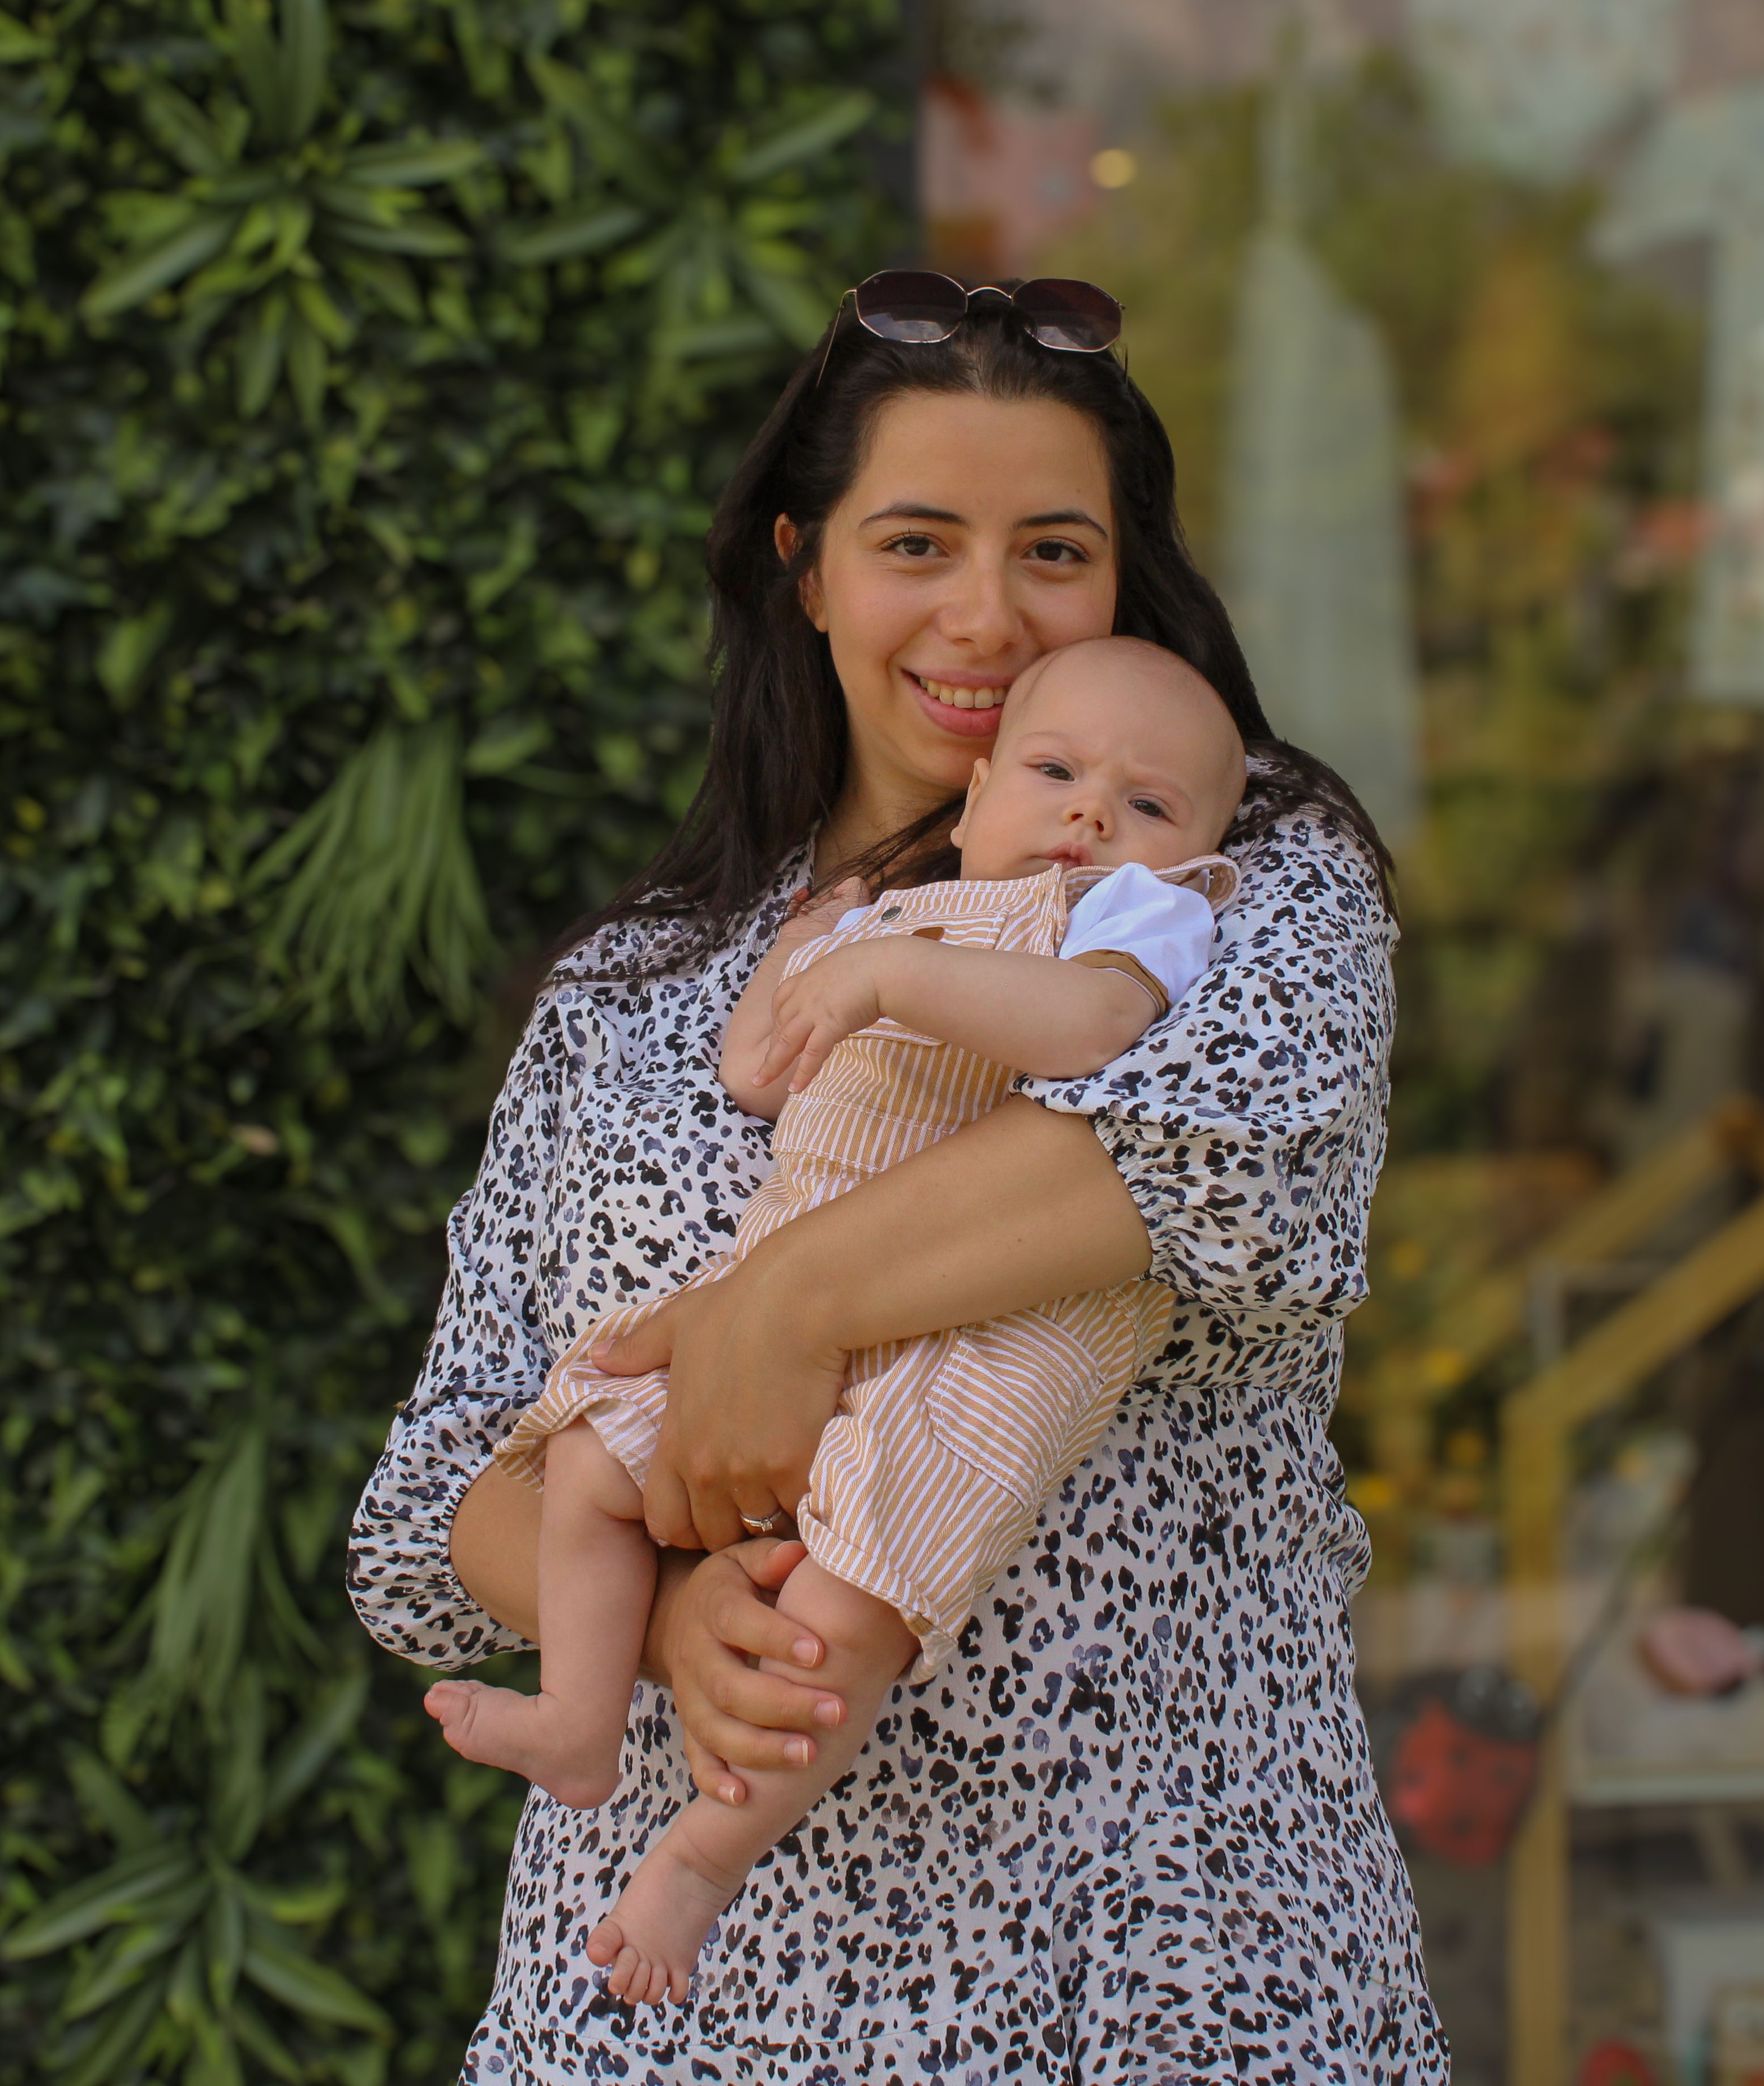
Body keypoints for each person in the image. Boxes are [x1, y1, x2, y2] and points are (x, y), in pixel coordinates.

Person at [349, 272, 1444, 2079]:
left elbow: (1215, 1158)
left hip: (1156, 1970)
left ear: (1126, 578)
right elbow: (433, 1505)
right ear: (807, 565)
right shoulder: (631, 995)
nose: (988, 618)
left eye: (1055, 553)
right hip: (669, 2014)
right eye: (917, 542)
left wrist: (779, 1303)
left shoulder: (1233, 880)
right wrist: (664, 1632)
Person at [427, 636, 1249, 2005]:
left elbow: (1085, 1028)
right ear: (979, 797)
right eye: (1055, 773)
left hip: (984, 1334)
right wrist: (815, 954)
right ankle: (580, 1720)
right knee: (589, 1457)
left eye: (1149, 804)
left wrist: (885, 977)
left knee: (848, 1603)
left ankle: (700, 1860)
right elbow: (758, 1071)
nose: (1094, 815)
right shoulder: (885, 922)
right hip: (766, 1307)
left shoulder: (1137, 922)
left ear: (1200, 851)